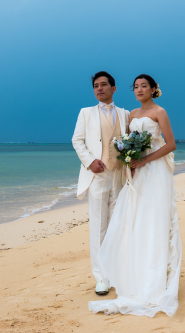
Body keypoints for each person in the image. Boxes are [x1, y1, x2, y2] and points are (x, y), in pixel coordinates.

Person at [88, 73, 182, 317]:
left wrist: (145, 159)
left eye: (144, 86)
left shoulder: (160, 112)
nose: (139, 90)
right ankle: (138, 273)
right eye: (136, 87)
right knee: (138, 219)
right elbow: (128, 141)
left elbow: (171, 144)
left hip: (156, 172)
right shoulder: (131, 114)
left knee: (156, 219)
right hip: (137, 173)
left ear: (153, 89)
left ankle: (157, 279)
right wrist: (129, 157)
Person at [72, 71, 130, 296]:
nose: (99, 89)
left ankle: (116, 272)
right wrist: (89, 162)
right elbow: (77, 140)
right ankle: (101, 278)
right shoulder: (86, 113)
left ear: (113, 88)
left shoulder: (125, 114)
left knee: (117, 225)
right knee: (98, 227)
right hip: (97, 175)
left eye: (104, 85)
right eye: (96, 85)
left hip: (120, 175)